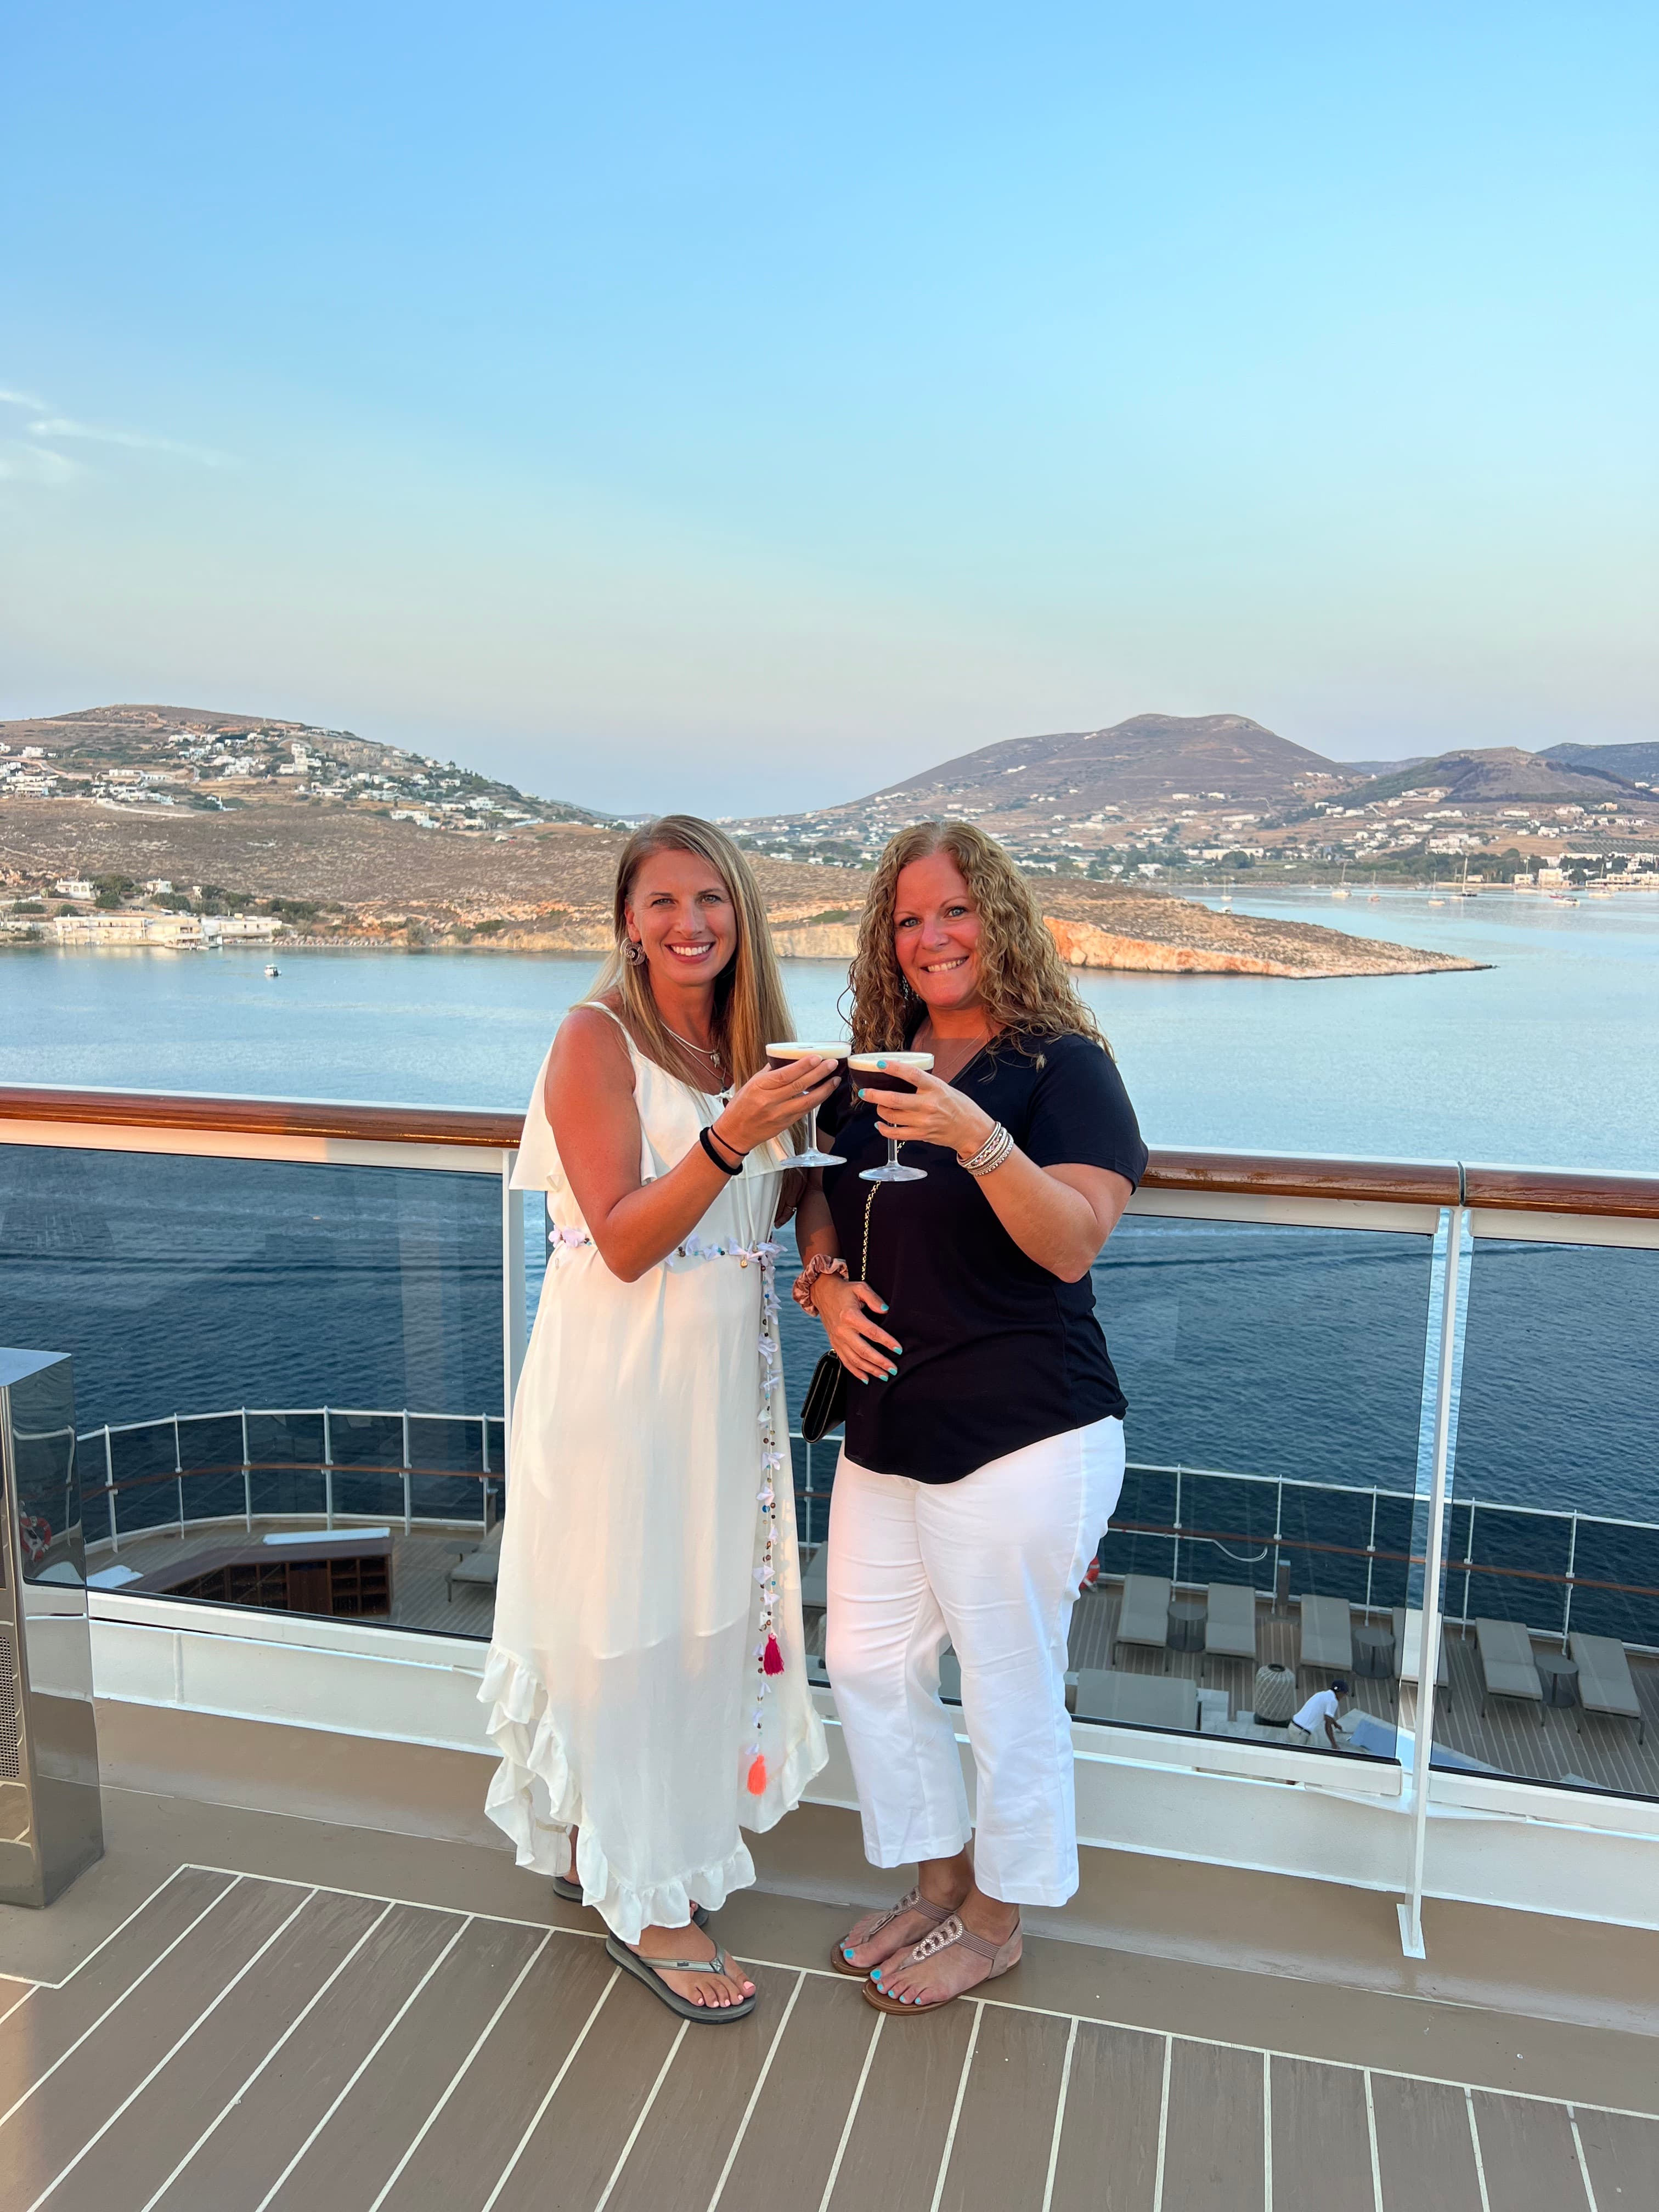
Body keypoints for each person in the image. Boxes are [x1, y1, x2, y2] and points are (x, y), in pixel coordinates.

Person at [480, 815, 834, 2022]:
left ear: (741, 914)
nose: (691, 922)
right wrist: (735, 1131)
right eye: (665, 902)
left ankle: (613, 1840)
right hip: (621, 1381)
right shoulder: (595, 1038)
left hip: (721, 1377)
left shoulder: (746, 1045)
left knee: (695, 1618)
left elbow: (773, 1207)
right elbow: (627, 1239)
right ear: (628, 922)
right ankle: (646, 1900)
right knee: (628, 1615)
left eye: (712, 898)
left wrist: (823, 1212)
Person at [792, 821, 1148, 2013]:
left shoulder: (1061, 1068)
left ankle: (997, 1922)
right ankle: (941, 1881)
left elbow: (1071, 1242)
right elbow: (820, 1190)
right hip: (889, 1421)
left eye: (953, 910)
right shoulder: (874, 1066)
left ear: (998, 917)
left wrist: (978, 1139)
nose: (931, 936)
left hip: (1025, 1426)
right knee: (865, 1660)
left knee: (1006, 1682)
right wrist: (824, 1282)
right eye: (908, 919)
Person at [1290, 1679, 1349, 1751]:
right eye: (1344, 1694)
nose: (1343, 1697)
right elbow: (1328, 1726)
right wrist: (1334, 1745)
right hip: (1301, 1733)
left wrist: (1336, 1724)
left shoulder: (1321, 1694)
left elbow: (1327, 1714)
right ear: (1340, 1692)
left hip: (1293, 1725)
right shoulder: (1333, 1701)